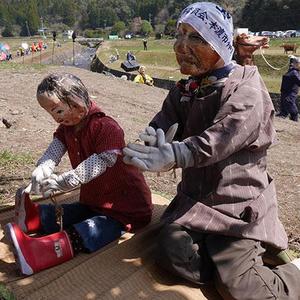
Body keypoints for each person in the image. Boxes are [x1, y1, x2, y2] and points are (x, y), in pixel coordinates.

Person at [123, 2, 300, 299]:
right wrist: (153, 140)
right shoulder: (186, 89)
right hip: (196, 202)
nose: (181, 45)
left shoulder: (246, 90)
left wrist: (174, 155)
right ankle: (227, 262)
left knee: (238, 288)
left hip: (237, 206)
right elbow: (165, 124)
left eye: (196, 37)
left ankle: (289, 276)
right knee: (168, 249)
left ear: (219, 44)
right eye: (180, 33)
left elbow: (218, 139)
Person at [5, 73, 152, 275]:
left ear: (76, 103)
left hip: (125, 208)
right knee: (78, 211)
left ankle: (43, 251)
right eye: (51, 113)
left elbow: (104, 160)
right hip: (95, 199)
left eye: (58, 110)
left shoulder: (106, 127)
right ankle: (36, 217)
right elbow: (55, 148)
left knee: (92, 228)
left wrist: (69, 179)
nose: (56, 118)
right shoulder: (68, 128)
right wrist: (44, 166)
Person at [276, 56, 300, 121]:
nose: (292, 64)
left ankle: (294, 116)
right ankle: (283, 113)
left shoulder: (295, 73)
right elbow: (291, 65)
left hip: (291, 92)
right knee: (284, 102)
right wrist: (292, 58)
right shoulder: (292, 70)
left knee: (289, 102)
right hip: (285, 90)